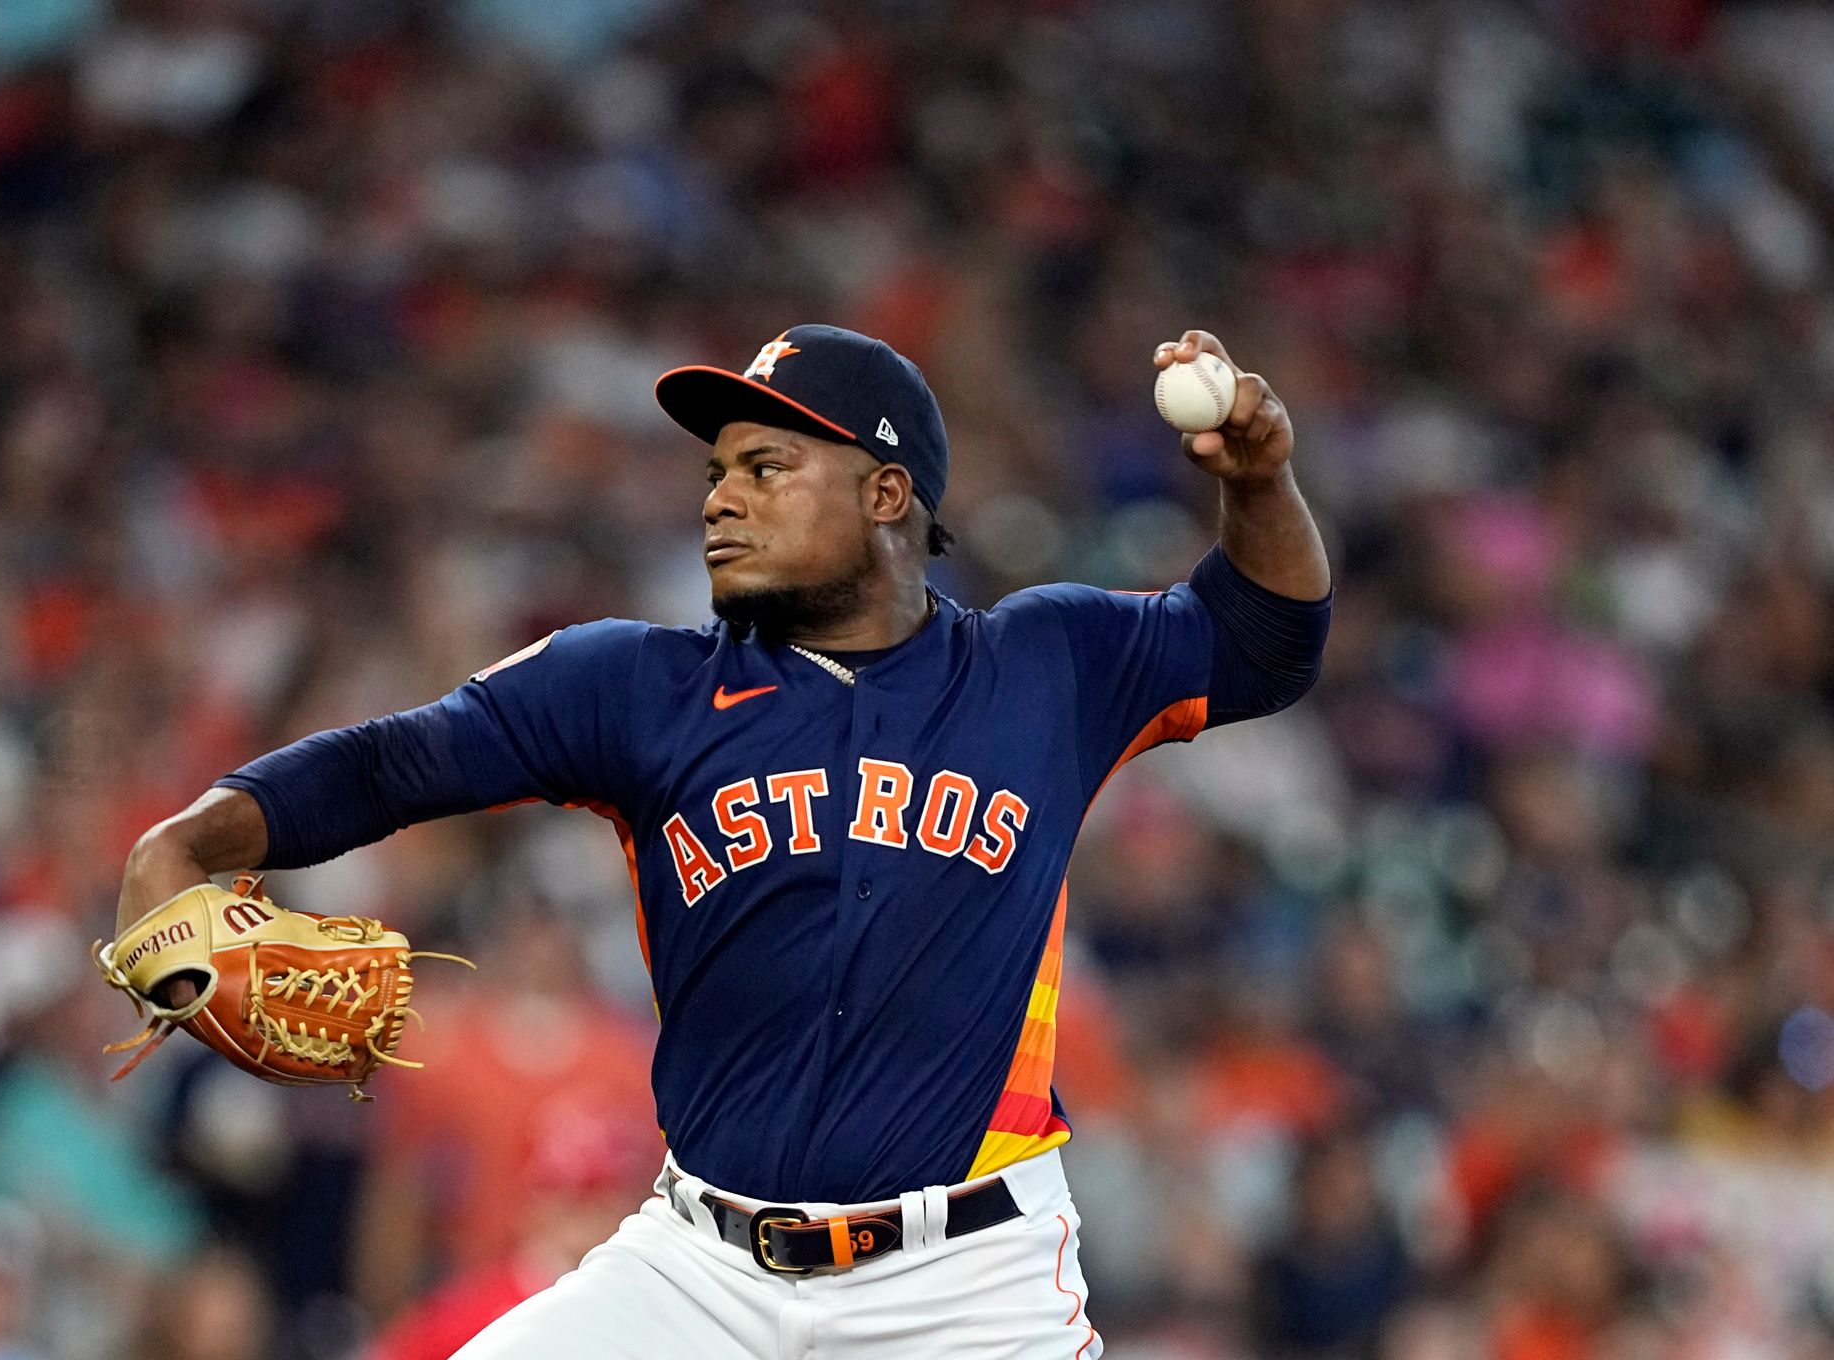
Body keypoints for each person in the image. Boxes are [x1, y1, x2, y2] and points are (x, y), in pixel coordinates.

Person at [113, 324, 1332, 1357]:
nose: (720, 496)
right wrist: (192, 837)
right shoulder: (637, 687)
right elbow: (393, 760)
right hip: (701, 1270)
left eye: (765, 464)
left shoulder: (1046, 663)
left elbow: (1264, 641)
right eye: (716, 472)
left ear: (886, 493)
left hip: (967, 1287)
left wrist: (1260, 483)